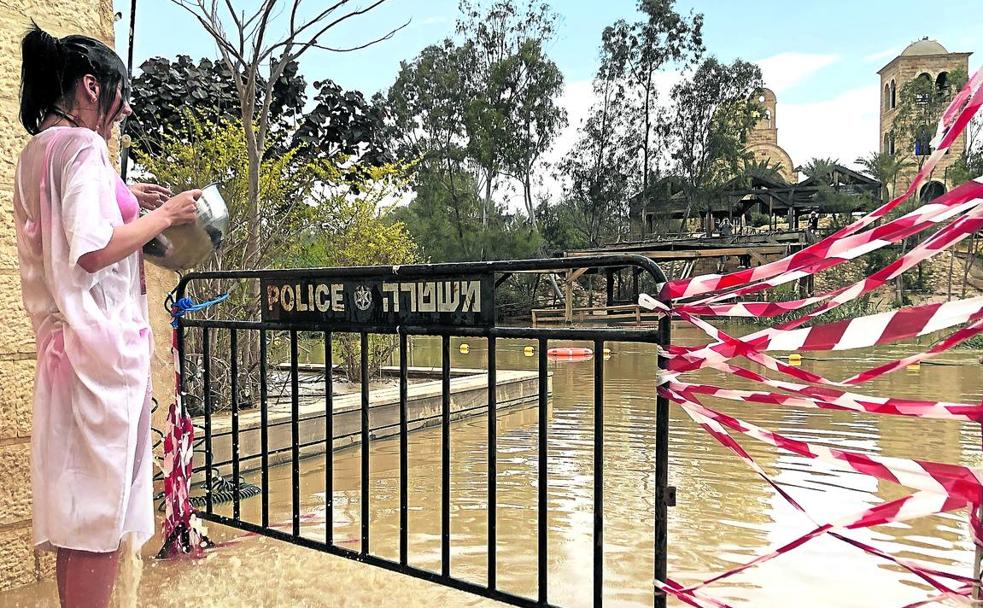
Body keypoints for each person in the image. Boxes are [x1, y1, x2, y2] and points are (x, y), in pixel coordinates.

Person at [13, 24, 200, 608]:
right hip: (102, 358)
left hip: (64, 353)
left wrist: (127, 194)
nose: (122, 110)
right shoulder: (86, 147)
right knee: (97, 522)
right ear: (91, 87)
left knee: (76, 519)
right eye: (118, 94)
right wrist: (166, 215)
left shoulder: (39, 151)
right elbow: (91, 249)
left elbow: (77, 213)